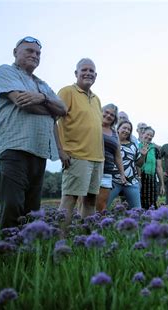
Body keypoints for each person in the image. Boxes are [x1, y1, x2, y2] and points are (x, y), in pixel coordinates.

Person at [0, 36, 67, 228]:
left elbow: (63, 109)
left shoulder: (42, 84)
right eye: (29, 51)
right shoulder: (5, 72)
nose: (35, 55)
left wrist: (41, 97)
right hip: (14, 147)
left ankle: (27, 255)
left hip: (39, 150)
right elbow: (22, 103)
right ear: (15, 52)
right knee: (13, 207)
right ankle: (7, 254)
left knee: (33, 211)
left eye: (38, 53)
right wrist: (50, 110)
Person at [57, 58, 103, 226]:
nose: (88, 73)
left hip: (97, 158)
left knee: (90, 201)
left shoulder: (97, 99)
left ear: (96, 75)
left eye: (91, 71)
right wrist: (60, 151)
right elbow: (53, 121)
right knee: (70, 199)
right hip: (76, 156)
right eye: (84, 70)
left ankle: (87, 242)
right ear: (76, 73)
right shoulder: (67, 92)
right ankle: (60, 243)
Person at [107, 120, 145, 209]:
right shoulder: (111, 142)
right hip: (113, 181)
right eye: (124, 128)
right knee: (102, 208)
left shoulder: (133, 145)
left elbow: (139, 164)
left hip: (131, 182)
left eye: (129, 129)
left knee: (137, 210)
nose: (126, 131)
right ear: (118, 129)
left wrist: (143, 155)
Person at [95, 104, 126, 211]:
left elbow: (117, 155)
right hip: (90, 167)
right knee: (86, 201)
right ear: (101, 111)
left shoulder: (114, 133)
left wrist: (122, 174)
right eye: (106, 112)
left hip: (107, 171)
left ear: (114, 119)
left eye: (112, 115)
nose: (108, 116)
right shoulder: (93, 125)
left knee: (102, 204)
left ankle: (98, 225)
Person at [139, 126, 165, 209]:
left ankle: (151, 220)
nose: (149, 137)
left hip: (151, 179)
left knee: (152, 203)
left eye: (151, 136)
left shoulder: (155, 149)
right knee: (139, 202)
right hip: (139, 178)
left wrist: (162, 184)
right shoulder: (136, 146)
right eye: (148, 134)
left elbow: (159, 167)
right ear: (142, 134)